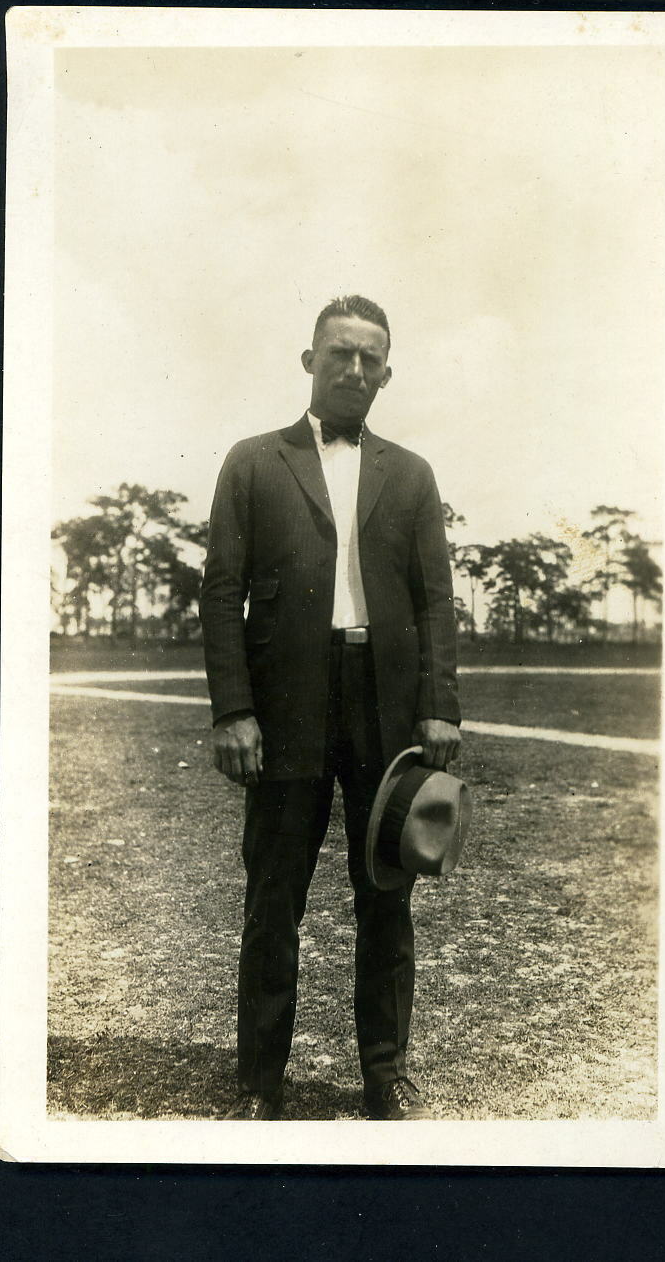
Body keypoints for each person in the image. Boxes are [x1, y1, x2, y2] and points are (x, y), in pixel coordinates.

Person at [200, 295, 461, 1120]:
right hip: (285, 711)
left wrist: (439, 707)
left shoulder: (411, 473)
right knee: (272, 898)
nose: (353, 369)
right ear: (308, 361)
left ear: (386, 373)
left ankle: (385, 1077)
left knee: (386, 893)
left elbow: (434, 605)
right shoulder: (252, 462)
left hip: (385, 713)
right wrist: (233, 711)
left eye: (368, 358)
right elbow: (220, 594)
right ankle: (258, 1085)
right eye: (338, 353)